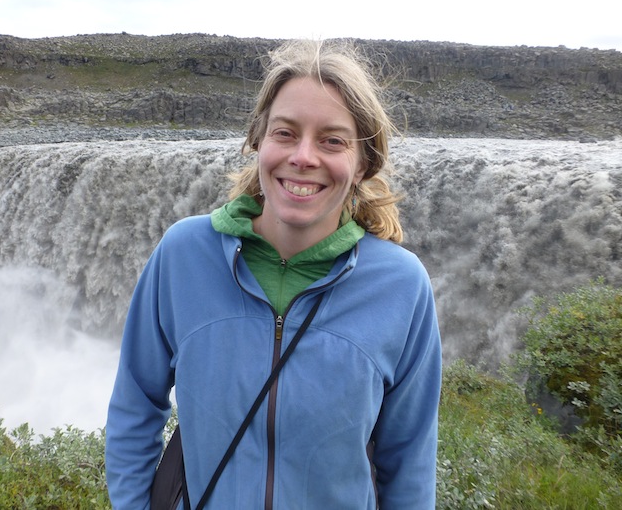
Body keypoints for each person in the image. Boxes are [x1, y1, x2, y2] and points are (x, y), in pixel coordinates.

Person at [105, 39, 442, 509]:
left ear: (363, 162)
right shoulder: (183, 254)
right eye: (285, 133)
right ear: (257, 141)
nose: (303, 156)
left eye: (332, 140)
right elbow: (135, 405)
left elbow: (408, 460)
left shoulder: (402, 286)